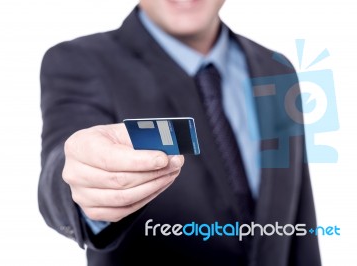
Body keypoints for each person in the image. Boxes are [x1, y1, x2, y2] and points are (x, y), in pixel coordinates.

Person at [38, 0, 321, 265]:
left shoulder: (277, 70)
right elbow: (64, 163)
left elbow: (299, 220)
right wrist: (85, 184)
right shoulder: (80, 61)